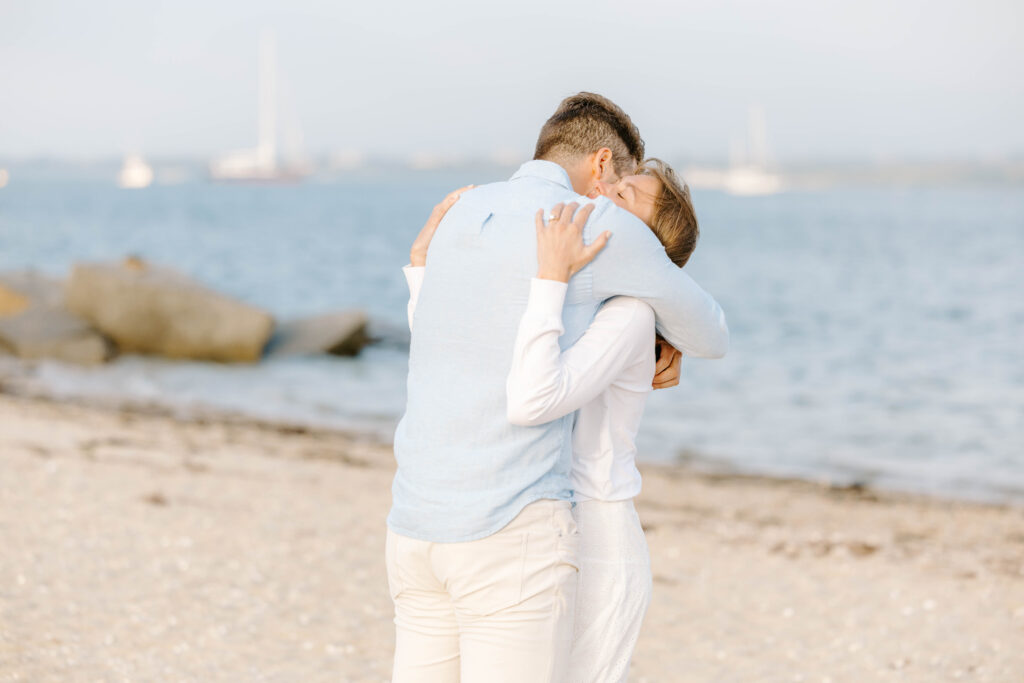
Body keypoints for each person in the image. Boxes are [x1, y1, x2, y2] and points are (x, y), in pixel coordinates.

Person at [387, 92, 728, 682]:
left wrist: (417, 266)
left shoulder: (465, 210)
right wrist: (664, 327)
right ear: (601, 165)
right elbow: (712, 331)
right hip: (508, 523)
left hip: (415, 523)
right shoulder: (599, 227)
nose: (615, 199)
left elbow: (451, 346)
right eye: (619, 183)